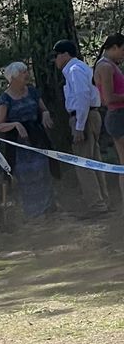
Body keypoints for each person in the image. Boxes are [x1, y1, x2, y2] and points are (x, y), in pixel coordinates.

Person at [52, 40, 109, 218]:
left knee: (83, 163)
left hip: (83, 117)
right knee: (93, 160)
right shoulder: (80, 68)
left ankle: (96, 205)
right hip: (90, 116)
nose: (55, 60)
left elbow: (82, 96)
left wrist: (79, 126)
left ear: (65, 54)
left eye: (56, 56)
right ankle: (103, 201)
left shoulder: (74, 70)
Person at [0, 61, 56, 221]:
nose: (26, 74)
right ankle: (34, 214)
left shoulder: (33, 92)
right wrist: (15, 124)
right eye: (22, 72)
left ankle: (50, 209)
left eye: (26, 71)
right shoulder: (4, 99)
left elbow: (43, 109)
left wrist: (46, 114)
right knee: (27, 176)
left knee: (44, 171)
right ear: (13, 77)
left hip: (38, 139)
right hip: (19, 144)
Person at [93, 34, 124, 177]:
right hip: (117, 116)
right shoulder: (105, 66)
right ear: (114, 47)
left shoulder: (111, 65)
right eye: (123, 50)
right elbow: (108, 98)